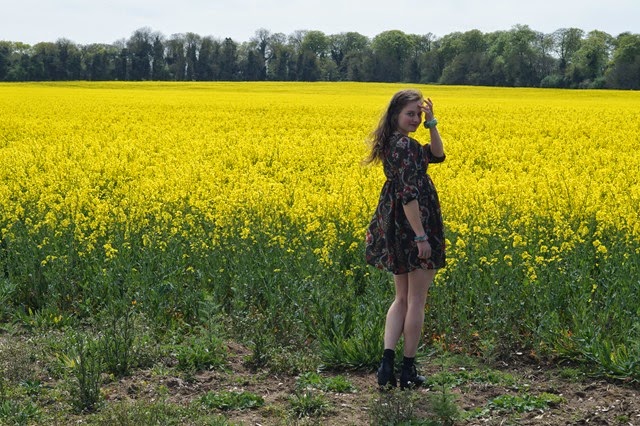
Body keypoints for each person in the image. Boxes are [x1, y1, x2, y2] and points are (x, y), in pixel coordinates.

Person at [364, 89, 446, 389]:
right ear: (396, 115)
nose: (415, 119)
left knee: (401, 297)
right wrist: (422, 236)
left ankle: (386, 366)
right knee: (416, 300)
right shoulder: (406, 148)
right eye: (410, 114)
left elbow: (437, 155)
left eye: (418, 114)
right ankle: (408, 369)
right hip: (414, 223)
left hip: (395, 223)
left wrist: (432, 123)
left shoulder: (393, 144)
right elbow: (409, 194)